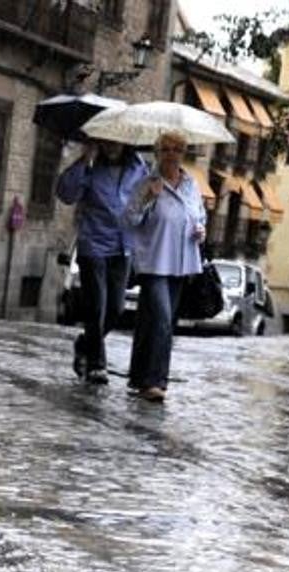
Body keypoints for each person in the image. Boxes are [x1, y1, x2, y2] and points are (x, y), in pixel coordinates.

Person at [56, 138, 149, 384]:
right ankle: (97, 364)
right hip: (93, 244)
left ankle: (84, 344)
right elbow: (65, 194)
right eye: (106, 141)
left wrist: (147, 205)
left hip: (124, 246)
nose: (111, 145)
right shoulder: (90, 166)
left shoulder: (139, 168)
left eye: (116, 141)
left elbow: (144, 209)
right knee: (96, 306)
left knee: (116, 308)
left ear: (126, 142)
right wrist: (84, 159)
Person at [124, 131, 205, 402]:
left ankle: (138, 377)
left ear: (183, 154)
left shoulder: (191, 185)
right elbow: (129, 219)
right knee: (161, 321)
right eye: (166, 149)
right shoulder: (147, 182)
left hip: (181, 264)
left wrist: (200, 228)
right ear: (158, 153)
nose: (172, 155)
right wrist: (149, 198)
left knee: (154, 321)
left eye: (177, 150)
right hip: (154, 261)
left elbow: (199, 214)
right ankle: (155, 382)